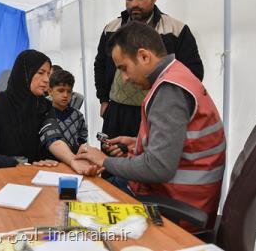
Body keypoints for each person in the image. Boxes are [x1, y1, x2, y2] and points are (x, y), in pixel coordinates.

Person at [78, 21, 225, 229]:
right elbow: (179, 143)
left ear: (144, 56)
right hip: (182, 195)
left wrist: (104, 160)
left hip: (177, 207)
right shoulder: (178, 74)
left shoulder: (168, 90)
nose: (125, 78)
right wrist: (136, 142)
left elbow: (158, 167)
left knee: (80, 209)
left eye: (124, 68)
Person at [94, 0, 204, 143]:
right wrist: (103, 100)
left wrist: (172, 108)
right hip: (116, 112)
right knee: (111, 161)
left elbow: (194, 73)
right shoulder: (111, 28)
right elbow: (100, 64)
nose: (134, 4)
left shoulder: (176, 30)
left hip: (155, 111)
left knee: (150, 162)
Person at [0, 49, 98, 175]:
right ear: (25, 74)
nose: (47, 79)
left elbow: (53, 138)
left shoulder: (44, 106)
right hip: (0, 177)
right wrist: (19, 165)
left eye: (48, 74)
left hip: (32, 176)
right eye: (41, 73)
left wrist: (72, 159)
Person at [43, 70, 88, 155]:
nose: (65, 95)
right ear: (50, 91)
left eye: (69, 91)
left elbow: (83, 135)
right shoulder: (45, 115)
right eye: (61, 91)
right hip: (50, 159)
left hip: (73, 157)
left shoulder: (78, 115)